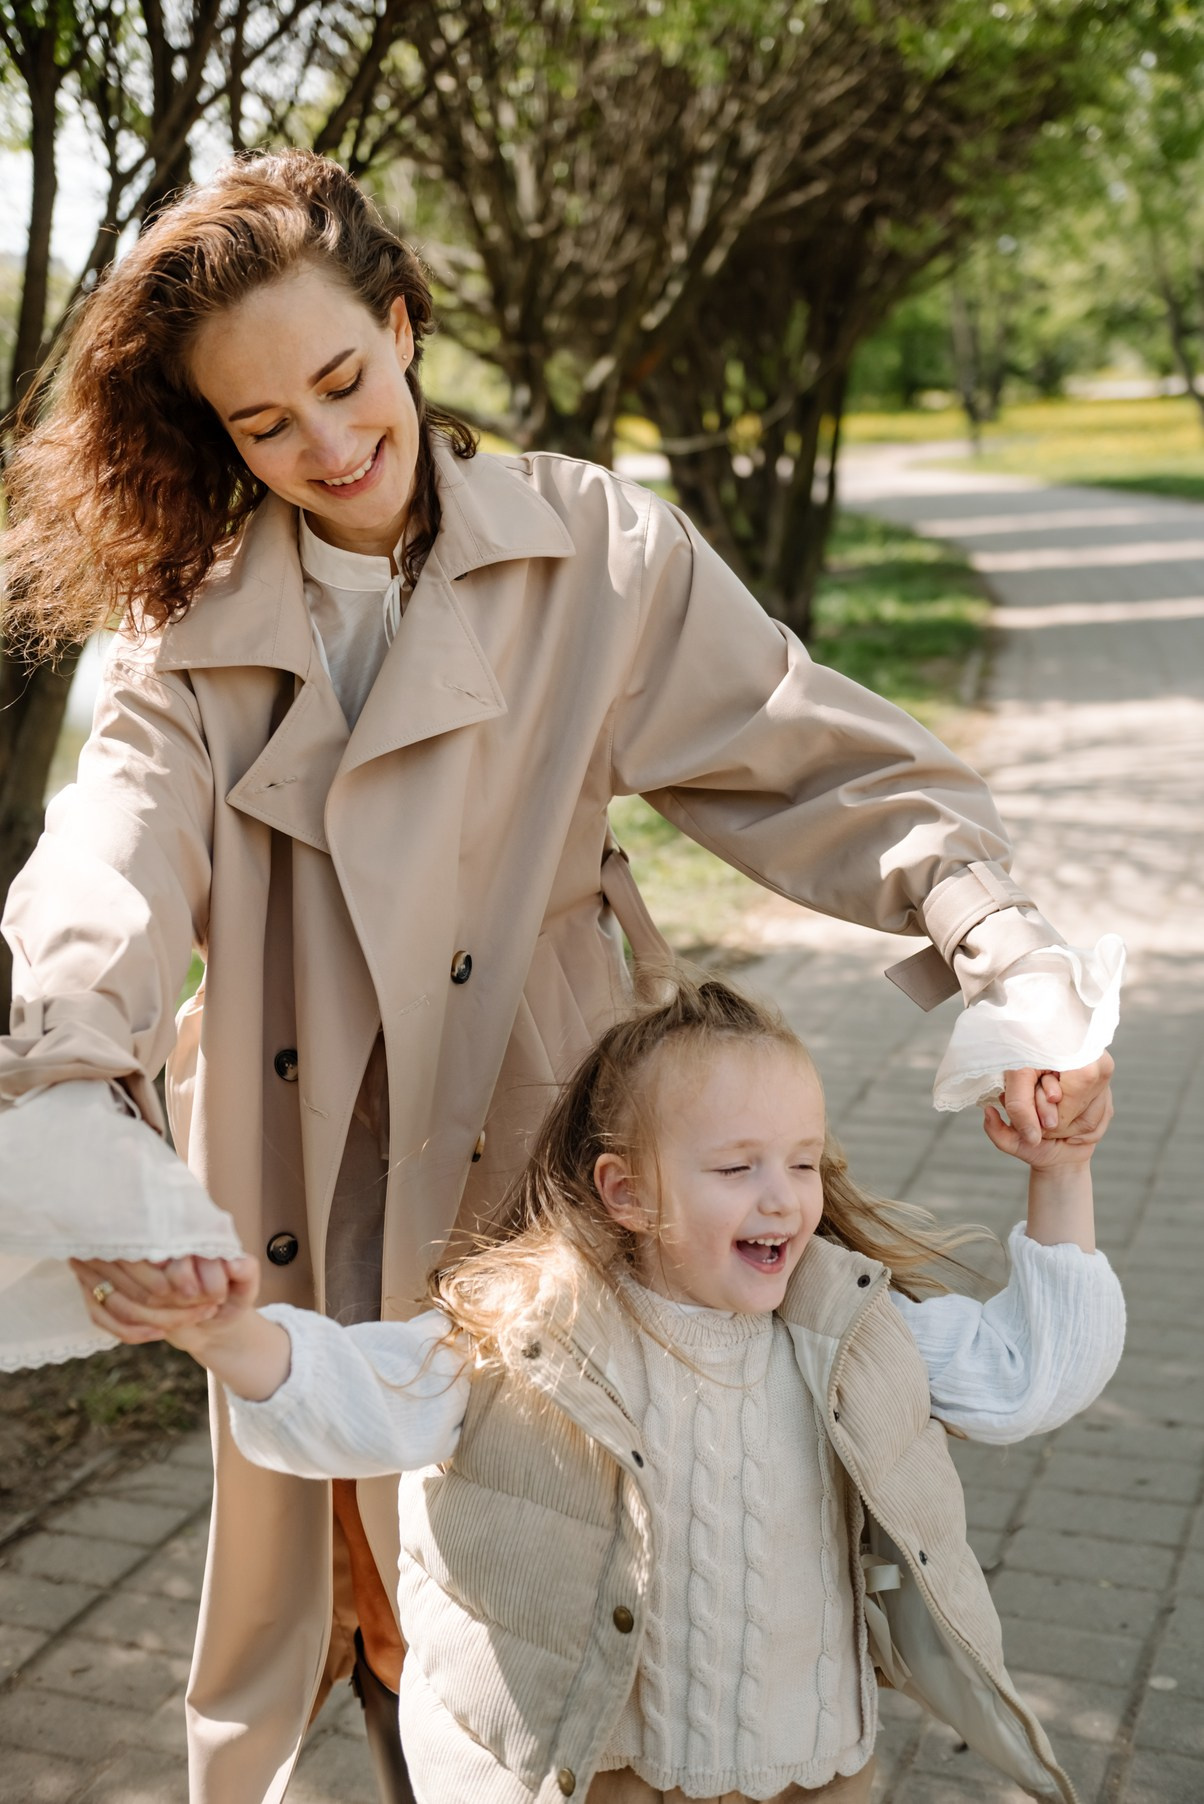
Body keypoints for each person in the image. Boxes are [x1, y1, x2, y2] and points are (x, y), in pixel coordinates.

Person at [0, 148, 1122, 1804]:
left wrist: (1004, 957)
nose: (327, 445)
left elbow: (822, 768)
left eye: (342, 378)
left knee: (571, 1561)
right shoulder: (189, 633)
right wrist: (67, 1088)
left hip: (542, 1140)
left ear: (399, 326)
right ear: (213, 439)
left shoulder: (595, 551)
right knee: (361, 1586)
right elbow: (109, 860)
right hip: (301, 1154)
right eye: (263, 425)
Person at [72, 975, 1125, 1804]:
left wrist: (1061, 1171)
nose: (784, 1198)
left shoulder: (846, 1329)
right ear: (624, 1190)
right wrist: (225, 1333)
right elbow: (361, 1393)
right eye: (738, 1167)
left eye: (803, 1163)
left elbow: (1030, 1376)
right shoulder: (533, 1332)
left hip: (811, 1770)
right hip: (598, 1776)